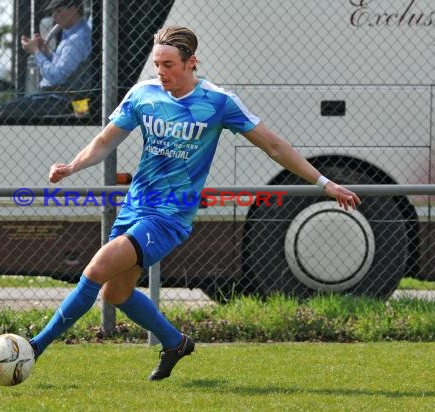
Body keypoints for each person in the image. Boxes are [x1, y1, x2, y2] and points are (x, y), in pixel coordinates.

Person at [29, 25, 361, 381]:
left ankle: (33, 348)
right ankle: (175, 343)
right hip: (135, 208)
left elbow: (274, 146)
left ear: (191, 62)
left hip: (169, 218)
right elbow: (104, 141)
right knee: (116, 292)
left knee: (96, 270)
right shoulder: (143, 95)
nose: (161, 72)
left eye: (169, 64)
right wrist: (71, 167)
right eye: (157, 64)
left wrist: (324, 183)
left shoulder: (218, 102)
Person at [0, 0, 92, 123]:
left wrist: (36, 52)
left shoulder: (76, 39)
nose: (54, 16)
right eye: (53, 12)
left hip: (63, 100)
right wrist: (45, 52)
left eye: (59, 11)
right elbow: (64, 66)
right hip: (61, 97)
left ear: (74, 9)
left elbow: (56, 76)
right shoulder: (72, 35)